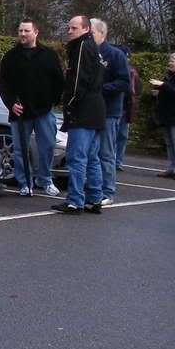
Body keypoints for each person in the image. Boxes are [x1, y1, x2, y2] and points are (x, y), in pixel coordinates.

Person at [0, 19, 65, 197]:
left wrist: (52, 102)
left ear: (36, 32)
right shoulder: (11, 57)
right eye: (20, 31)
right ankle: (24, 182)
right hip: (20, 113)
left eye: (26, 31)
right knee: (20, 149)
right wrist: (11, 103)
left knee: (48, 146)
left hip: (44, 111)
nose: (22, 34)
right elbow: (4, 84)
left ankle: (45, 179)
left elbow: (59, 81)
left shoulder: (49, 55)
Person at [53, 15, 105, 215]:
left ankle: (75, 200)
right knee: (92, 158)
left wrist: (71, 105)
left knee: (77, 157)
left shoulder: (82, 47)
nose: (69, 31)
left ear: (85, 29)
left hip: (83, 111)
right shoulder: (93, 48)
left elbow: (78, 81)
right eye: (69, 27)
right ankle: (94, 198)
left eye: (73, 28)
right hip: (96, 109)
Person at [89, 19, 130, 205]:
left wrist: (100, 88)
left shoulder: (115, 55)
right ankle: (92, 188)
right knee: (90, 152)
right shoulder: (86, 53)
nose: (89, 37)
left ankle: (107, 191)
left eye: (92, 33)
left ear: (102, 34)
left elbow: (124, 82)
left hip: (108, 111)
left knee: (105, 152)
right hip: (89, 110)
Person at [149, 52, 175, 181]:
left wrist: (163, 85)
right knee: (169, 143)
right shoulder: (170, 76)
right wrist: (159, 92)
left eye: (173, 61)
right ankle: (172, 168)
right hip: (168, 115)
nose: (170, 63)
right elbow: (169, 92)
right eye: (170, 61)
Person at [116, 47, 140, 171]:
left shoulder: (132, 73)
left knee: (122, 136)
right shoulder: (117, 70)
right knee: (112, 137)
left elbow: (137, 92)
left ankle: (118, 161)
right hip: (116, 108)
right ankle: (113, 161)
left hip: (125, 108)